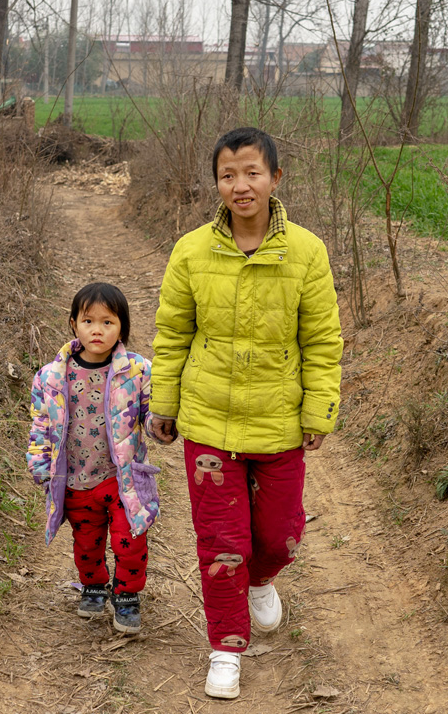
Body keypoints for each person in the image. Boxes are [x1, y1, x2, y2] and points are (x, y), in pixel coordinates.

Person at [149, 126, 344, 699]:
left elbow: (324, 340)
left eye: (252, 173)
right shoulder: (191, 251)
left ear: (275, 178)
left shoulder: (306, 252)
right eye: (228, 175)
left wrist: (318, 409)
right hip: (209, 423)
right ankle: (225, 650)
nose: (240, 185)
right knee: (220, 541)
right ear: (217, 184)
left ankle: (261, 578)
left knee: (280, 536)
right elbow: (172, 332)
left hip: (278, 421)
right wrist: (165, 404)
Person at [27, 282, 162, 635]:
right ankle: (93, 585)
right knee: (86, 542)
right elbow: (42, 423)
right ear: (74, 324)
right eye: (89, 321)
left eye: (108, 322)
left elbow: (150, 414)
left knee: (129, 539)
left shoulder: (137, 370)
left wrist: (161, 425)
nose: (97, 330)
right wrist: (40, 462)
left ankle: (128, 596)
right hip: (74, 477)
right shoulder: (51, 377)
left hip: (122, 477)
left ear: (122, 328)